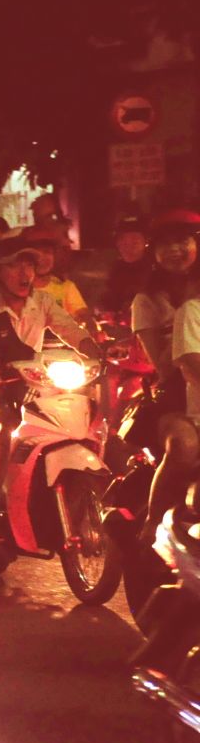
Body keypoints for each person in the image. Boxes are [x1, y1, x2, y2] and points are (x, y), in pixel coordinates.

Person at [0, 237, 101, 543]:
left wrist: (94, 353)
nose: (24, 272)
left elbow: (71, 331)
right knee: (8, 429)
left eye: (29, 265)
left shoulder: (43, 302)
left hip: (35, 384)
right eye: (15, 265)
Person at [134, 214, 200, 538]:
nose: (176, 250)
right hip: (173, 398)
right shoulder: (146, 301)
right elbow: (162, 366)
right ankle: (152, 522)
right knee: (185, 447)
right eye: (166, 244)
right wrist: (184, 332)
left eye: (182, 241)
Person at [27, 237, 93, 327]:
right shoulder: (18, 289)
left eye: (47, 252)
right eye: (36, 253)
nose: (42, 258)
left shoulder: (66, 286)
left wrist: (89, 325)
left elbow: (83, 315)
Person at [100, 214, 150, 316]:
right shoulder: (116, 269)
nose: (128, 247)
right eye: (123, 241)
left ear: (145, 242)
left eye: (134, 242)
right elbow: (106, 302)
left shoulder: (154, 271)